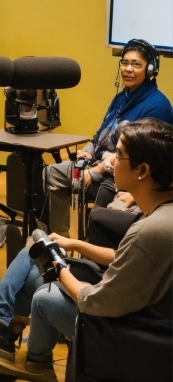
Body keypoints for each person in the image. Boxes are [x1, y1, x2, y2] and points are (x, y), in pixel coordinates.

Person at [0, 118, 173, 382]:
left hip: (134, 337)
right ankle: (5, 331)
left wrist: (59, 270)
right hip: (149, 321)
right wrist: (76, 244)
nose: (110, 161)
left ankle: (33, 361)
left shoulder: (149, 230)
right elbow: (124, 255)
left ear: (142, 170)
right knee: (42, 261)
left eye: (118, 155)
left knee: (43, 296)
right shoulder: (161, 215)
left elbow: (94, 302)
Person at [44, 39, 172, 235]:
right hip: (99, 164)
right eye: (125, 63)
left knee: (106, 217)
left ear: (150, 70)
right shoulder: (122, 97)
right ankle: (60, 239)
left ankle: (95, 252)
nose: (128, 69)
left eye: (136, 64)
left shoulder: (157, 106)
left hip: (125, 172)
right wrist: (88, 150)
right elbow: (101, 133)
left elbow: (137, 156)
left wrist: (97, 170)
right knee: (51, 174)